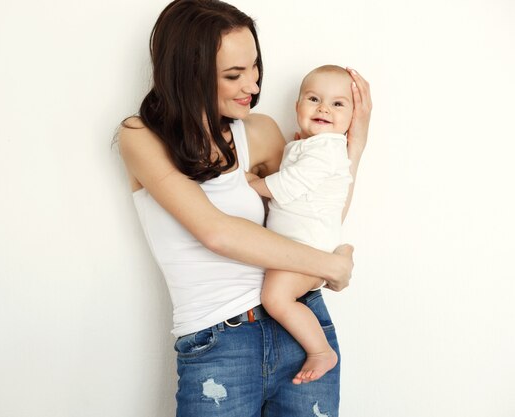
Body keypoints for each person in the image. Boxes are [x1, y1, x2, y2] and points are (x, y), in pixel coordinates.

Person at [117, 0, 371, 415]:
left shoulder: (261, 130)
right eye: (234, 75)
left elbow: (313, 215)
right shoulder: (141, 135)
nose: (252, 86)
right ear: (187, 74)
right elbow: (217, 232)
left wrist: (354, 148)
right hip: (221, 344)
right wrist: (330, 266)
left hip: (301, 325)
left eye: (254, 68)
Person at [246, 65, 357, 385]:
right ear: (297, 107)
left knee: (275, 298)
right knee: (277, 296)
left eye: (338, 104)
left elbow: (290, 184)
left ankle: (321, 350)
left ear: (351, 119)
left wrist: (256, 183)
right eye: (313, 99)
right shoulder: (311, 145)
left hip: (308, 246)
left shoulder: (327, 149)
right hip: (300, 243)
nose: (323, 108)